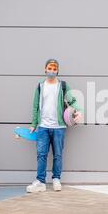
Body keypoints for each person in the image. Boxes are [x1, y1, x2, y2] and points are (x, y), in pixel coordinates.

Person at [26, 59, 83, 193]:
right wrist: (34, 124)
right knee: (41, 154)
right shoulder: (40, 86)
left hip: (59, 127)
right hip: (43, 127)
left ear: (57, 70)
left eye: (54, 68)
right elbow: (35, 106)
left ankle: (56, 179)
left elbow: (73, 101)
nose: (52, 71)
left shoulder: (63, 86)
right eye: (49, 68)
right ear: (45, 70)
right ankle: (40, 181)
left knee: (58, 154)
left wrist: (79, 111)